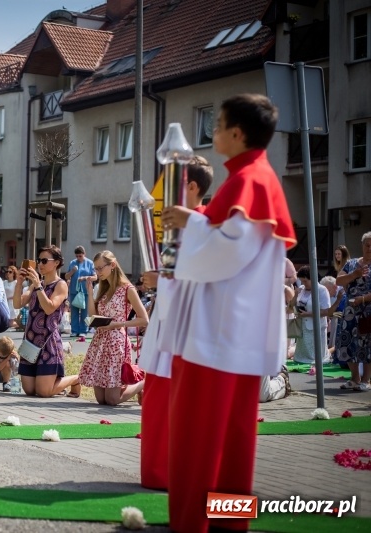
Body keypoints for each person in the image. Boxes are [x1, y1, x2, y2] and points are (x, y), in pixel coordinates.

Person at [158, 94, 296, 533]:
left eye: (217, 124)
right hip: (237, 334)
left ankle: (191, 525)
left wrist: (190, 222)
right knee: (234, 442)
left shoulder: (248, 181)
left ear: (237, 133)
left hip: (215, 334)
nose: (213, 131)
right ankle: (229, 524)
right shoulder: (256, 178)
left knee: (197, 439)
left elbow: (226, 253)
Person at [138, 155, 213, 490]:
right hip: (167, 324)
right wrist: (158, 279)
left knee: (177, 404)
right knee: (157, 401)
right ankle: (157, 471)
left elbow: (206, 278)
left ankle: (173, 473)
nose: (167, 194)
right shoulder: (177, 227)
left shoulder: (205, 225)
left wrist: (162, 279)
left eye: (175, 185)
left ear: (192, 187)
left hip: (186, 329)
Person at [79, 251, 149, 405]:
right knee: (101, 399)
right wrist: (89, 292)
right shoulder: (103, 288)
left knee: (112, 399)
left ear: (112, 265)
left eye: (100, 268)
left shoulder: (127, 289)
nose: (98, 272)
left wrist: (118, 324)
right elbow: (92, 315)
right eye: (95, 269)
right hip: (100, 342)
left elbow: (144, 319)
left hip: (117, 342)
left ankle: (143, 382)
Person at [14, 245, 80, 398]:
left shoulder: (60, 285)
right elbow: (18, 304)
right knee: (29, 390)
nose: (40, 264)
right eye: (39, 261)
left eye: (44, 261)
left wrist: (38, 286)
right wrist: (19, 283)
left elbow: (49, 308)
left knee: (44, 392)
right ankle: (54, 384)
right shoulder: (36, 284)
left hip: (48, 341)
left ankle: (76, 379)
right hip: (31, 340)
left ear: (56, 263)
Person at [335, 231, 371, 391]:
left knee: (367, 345)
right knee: (346, 342)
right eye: (367, 245)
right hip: (350, 310)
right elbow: (338, 280)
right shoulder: (352, 263)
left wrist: (362, 299)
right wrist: (355, 274)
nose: (369, 248)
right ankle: (355, 378)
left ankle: (366, 380)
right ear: (362, 246)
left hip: (368, 310)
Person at [291, 266, 331, 364]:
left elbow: (326, 311)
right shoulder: (301, 289)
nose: (303, 283)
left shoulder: (322, 290)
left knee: (316, 354)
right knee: (301, 355)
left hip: (316, 326)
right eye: (301, 281)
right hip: (302, 326)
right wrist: (295, 295)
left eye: (305, 281)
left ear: (312, 278)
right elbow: (291, 306)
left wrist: (308, 314)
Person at [66, 246, 96, 341]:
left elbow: (95, 277)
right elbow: (66, 276)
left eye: (80, 256)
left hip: (85, 291)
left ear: (84, 254)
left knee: (84, 312)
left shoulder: (90, 263)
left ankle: (83, 330)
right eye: (77, 256)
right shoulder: (72, 263)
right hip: (74, 291)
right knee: (74, 311)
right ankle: (74, 330)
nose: (78, 258)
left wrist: (85, 278)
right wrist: (72, 271)